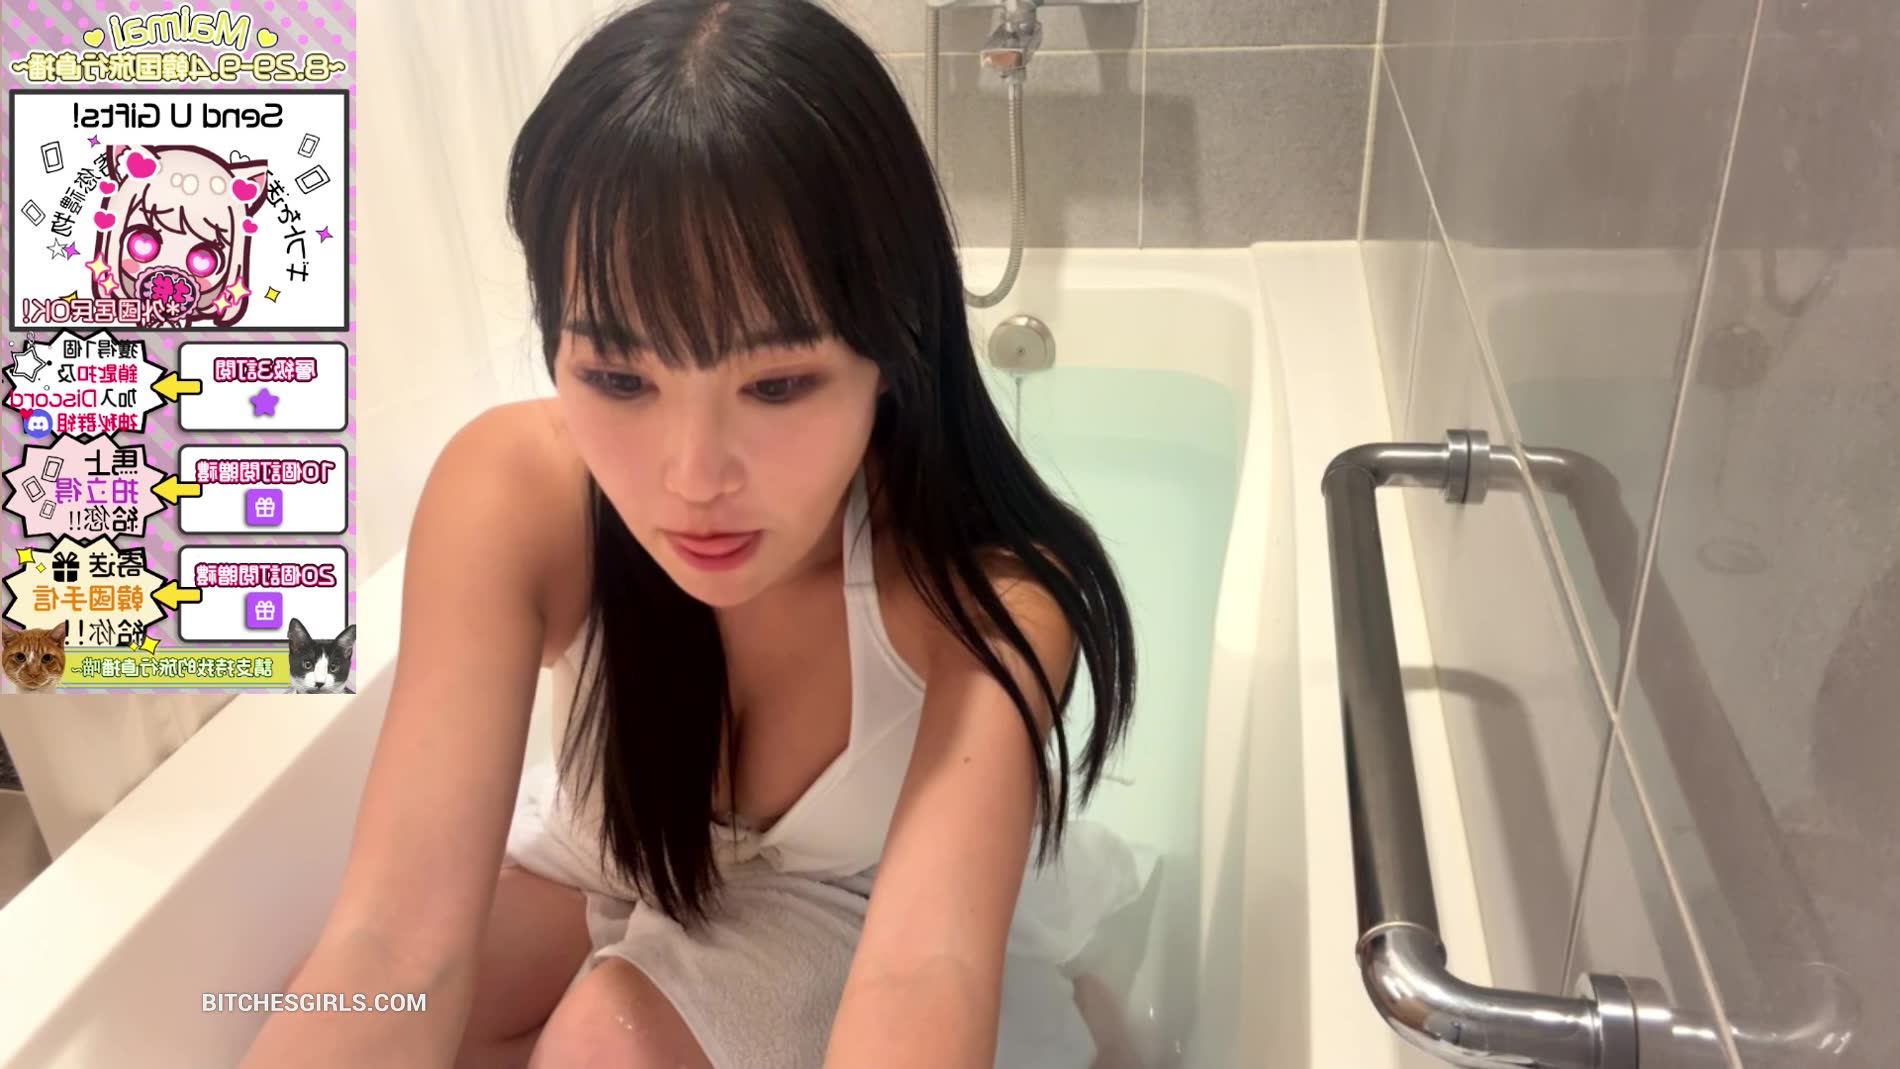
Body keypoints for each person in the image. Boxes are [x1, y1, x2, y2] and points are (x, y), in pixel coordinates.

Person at [239, 1, 1138, 1066]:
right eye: (619, 378)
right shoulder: (513, 489)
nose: (693, 477)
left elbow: (918, 973)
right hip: (616, 860)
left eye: (778, 383)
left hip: (844, 901)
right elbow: (393, 941)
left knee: (598, 1046)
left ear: (889, 354)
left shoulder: (982, 592)